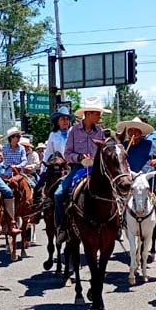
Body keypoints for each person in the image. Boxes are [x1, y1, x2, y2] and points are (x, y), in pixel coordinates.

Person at [54, 97, 110, 233]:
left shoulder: (100, 131)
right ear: (89, 114)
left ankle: (117, 223)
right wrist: (79, 157)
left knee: (116, 190)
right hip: (78, 168)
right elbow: (67, 154)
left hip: (97, 169)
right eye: (97, 113)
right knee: (59, 194)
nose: (99, 116)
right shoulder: (74, 131)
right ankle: (62, 228)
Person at [117, 116, 156, 243]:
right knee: (115, 203)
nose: (133, 133)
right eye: (131, 130)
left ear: (141, 132)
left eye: (136, 131)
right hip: (129, 182)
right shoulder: (123, 146)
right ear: (127, 132)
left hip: (147, 180)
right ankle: (118, 227)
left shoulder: (149, 144)